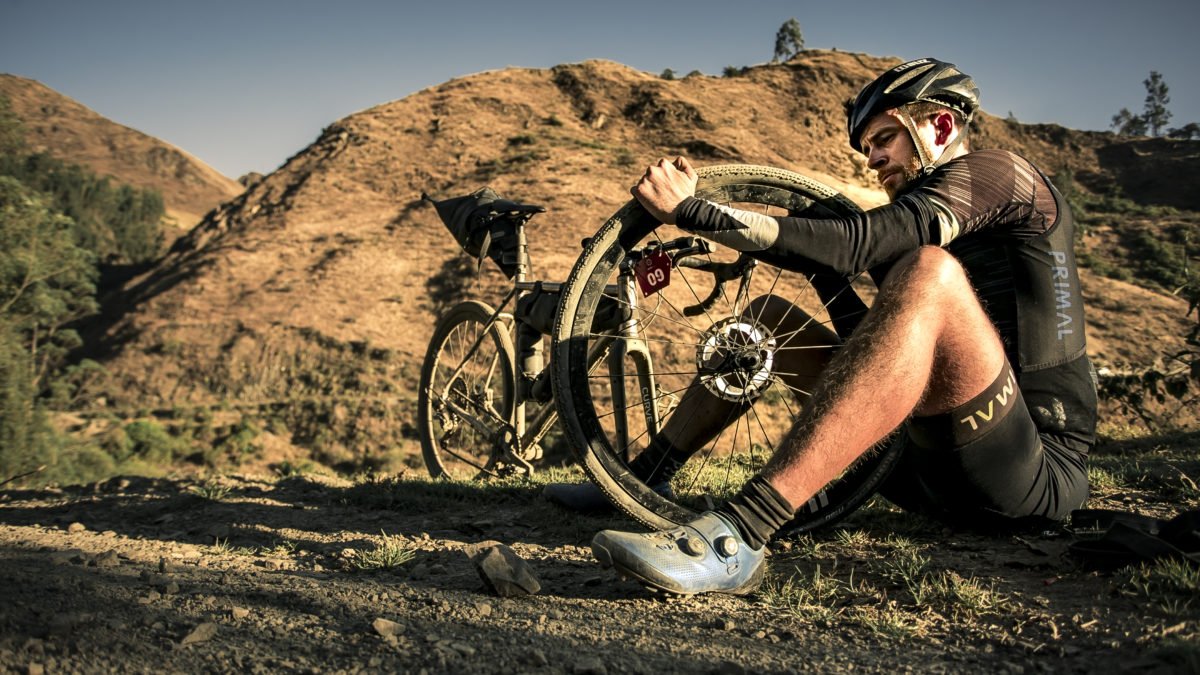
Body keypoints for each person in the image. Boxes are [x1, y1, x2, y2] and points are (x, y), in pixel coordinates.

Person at [554, 57, 1097, 596]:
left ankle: (740, 536)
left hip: (1029, 472)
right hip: (919, 465)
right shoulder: (915, 223)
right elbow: (863, 322)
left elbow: (855, 244)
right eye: (866, 149)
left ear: (941, 125)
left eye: (884, 137)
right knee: (770, 317)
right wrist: (809, 263)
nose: (873, 159)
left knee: (931, 271)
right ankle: (645, 476)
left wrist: (694, 211)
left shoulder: (1006, 175)